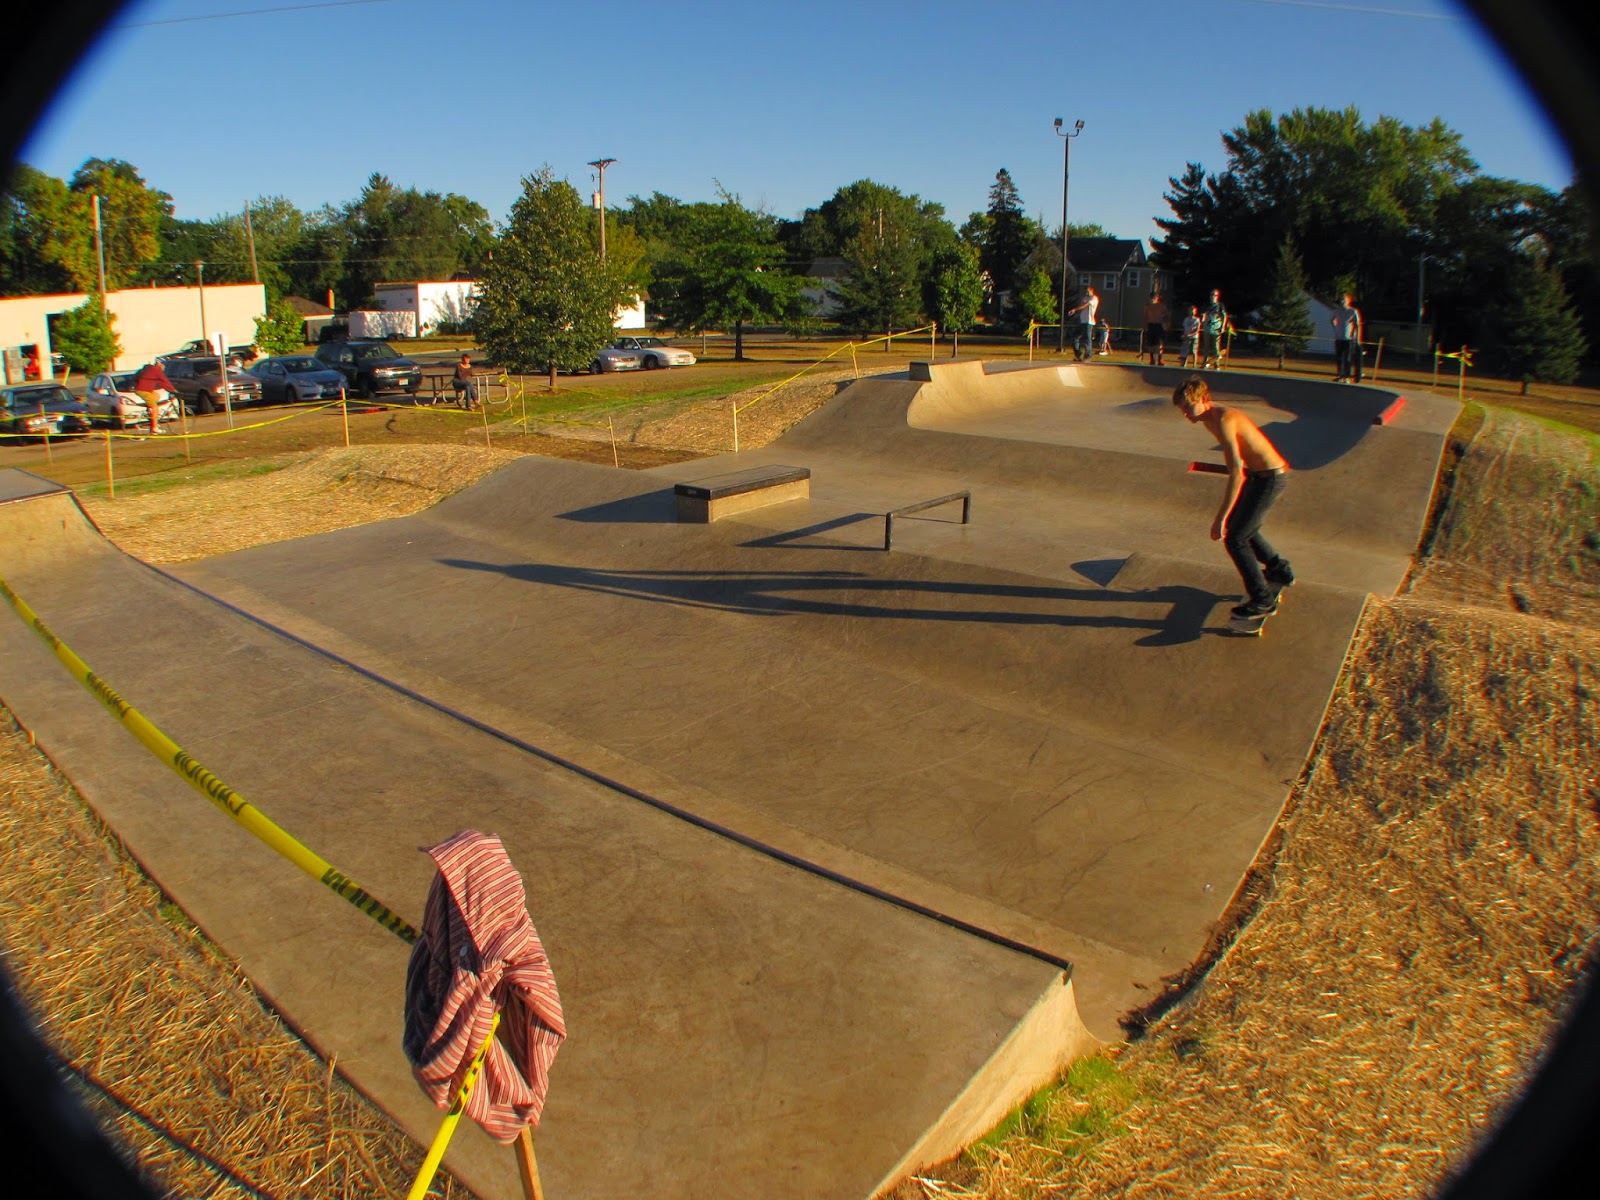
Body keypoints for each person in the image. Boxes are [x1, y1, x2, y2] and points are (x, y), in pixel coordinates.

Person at [1172, 375, 1296, 620]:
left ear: (1204, 399)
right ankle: (1279, 569)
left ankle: (1262, 600)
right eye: (1182, 410)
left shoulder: (1225, 419)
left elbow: (1235, 475)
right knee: (1242, 528)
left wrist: (1219, 518)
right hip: (1259, 476)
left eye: (1188, 407)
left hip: (1269, 479)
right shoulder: (1208, 419)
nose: (1186, 414)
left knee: (1236, 538)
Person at [131, 359, 176, 435]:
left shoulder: (152, 369)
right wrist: (174, 390)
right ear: (160, 364)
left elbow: (162, 383)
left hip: (146, 390)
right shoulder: (156, 370)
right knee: (155, 406)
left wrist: (169, 389)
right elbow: (165, 380)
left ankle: (151, 413)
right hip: (143, 390)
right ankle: (155, 428)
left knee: (157, 396)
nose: (164, 367)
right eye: (164, 365)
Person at [1332, 293, 1364, 383]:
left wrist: (1356, 338)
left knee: (1347, 358)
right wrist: (1336, 329)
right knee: (1339, 357)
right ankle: (1339, 374)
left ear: (1347, 301)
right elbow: (1332, 320)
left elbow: (1358, 324)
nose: (1342, 301)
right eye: (1341, 300)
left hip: (1348, 339)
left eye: (1344, 300)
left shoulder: (1352, 311)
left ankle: (1346, 377)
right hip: (1338, 338)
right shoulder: (1337, 311)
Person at [1200, 289, 1233, 369]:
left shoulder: (1220, 305)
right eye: (1211, 295)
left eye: (1215, 295)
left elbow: (1224, 316)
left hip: (1216, 328)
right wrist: (1203, 322)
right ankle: (1205, 363)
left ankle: (1216, 364)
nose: (1213, 297)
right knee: (1206, 347)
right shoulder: (1207, 306)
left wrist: (1223, 326)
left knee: (1215, 347)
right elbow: (1203, 315)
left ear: (1218, 296)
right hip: (1207, 328)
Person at [1066, 286, 1099, 363]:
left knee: (1087, 339)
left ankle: (1088, 356)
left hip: (1089, 322)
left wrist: (1074, 309)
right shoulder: (1084, 298)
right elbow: (1082, 306)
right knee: (1075, 337)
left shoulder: (1094, 299)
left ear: (1092, 291)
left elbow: (1085, 305)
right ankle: (1078, 354)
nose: (1087, 293)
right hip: (1082, 321)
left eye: (1088, 291)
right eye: (1086, 292)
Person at [1143, 291, 1170, 366]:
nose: (1152, 299)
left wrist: (1166, 324)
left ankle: (1160, 359)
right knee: (1150, 344)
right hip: (1151, 325)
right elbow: (1145, 317)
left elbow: (1167, 316)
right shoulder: (1147, 306)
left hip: (1159, 326)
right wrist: (1145, 326)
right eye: (1151, 298)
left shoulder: (1161, 306)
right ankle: (1152, 359)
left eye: (1154, 298)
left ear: (1157, 298)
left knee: (1159, 344)